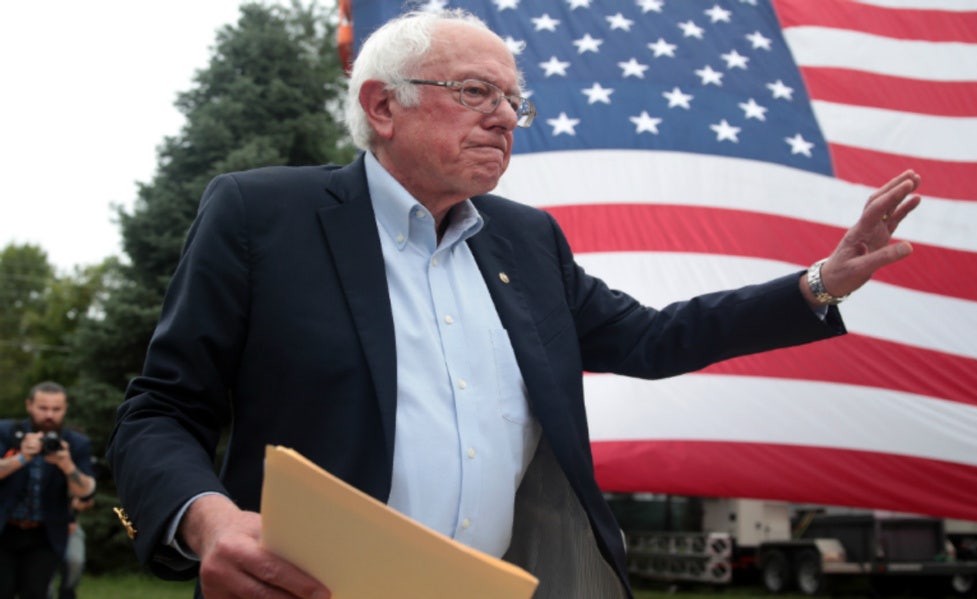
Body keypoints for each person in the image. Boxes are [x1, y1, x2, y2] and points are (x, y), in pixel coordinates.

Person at [106, 8, 921, 599]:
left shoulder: (527, 242)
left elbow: (653, 338)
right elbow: (160, 410)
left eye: (513, 101)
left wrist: (816, 283)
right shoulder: (261, 215)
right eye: (475, 92)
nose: (506, 116)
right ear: (382, 107)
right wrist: (209, 520)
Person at [0, 382, 96, 599]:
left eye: (56, 409)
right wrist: (22, 457)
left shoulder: (76, 443)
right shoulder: (6, 432)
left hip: (45, 535)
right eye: (43, 408)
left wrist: (67, 465)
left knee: (36, 592)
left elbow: (87, 492)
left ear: (65, 408)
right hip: (5, 529)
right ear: (29, 405)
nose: (49, 415)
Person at [47, 496, 92, 599]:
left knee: (75, 562)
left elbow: (88, 500)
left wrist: (80, 505)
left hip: (70, 527)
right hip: (43, 528)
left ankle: (67, 592)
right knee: (45, 576)